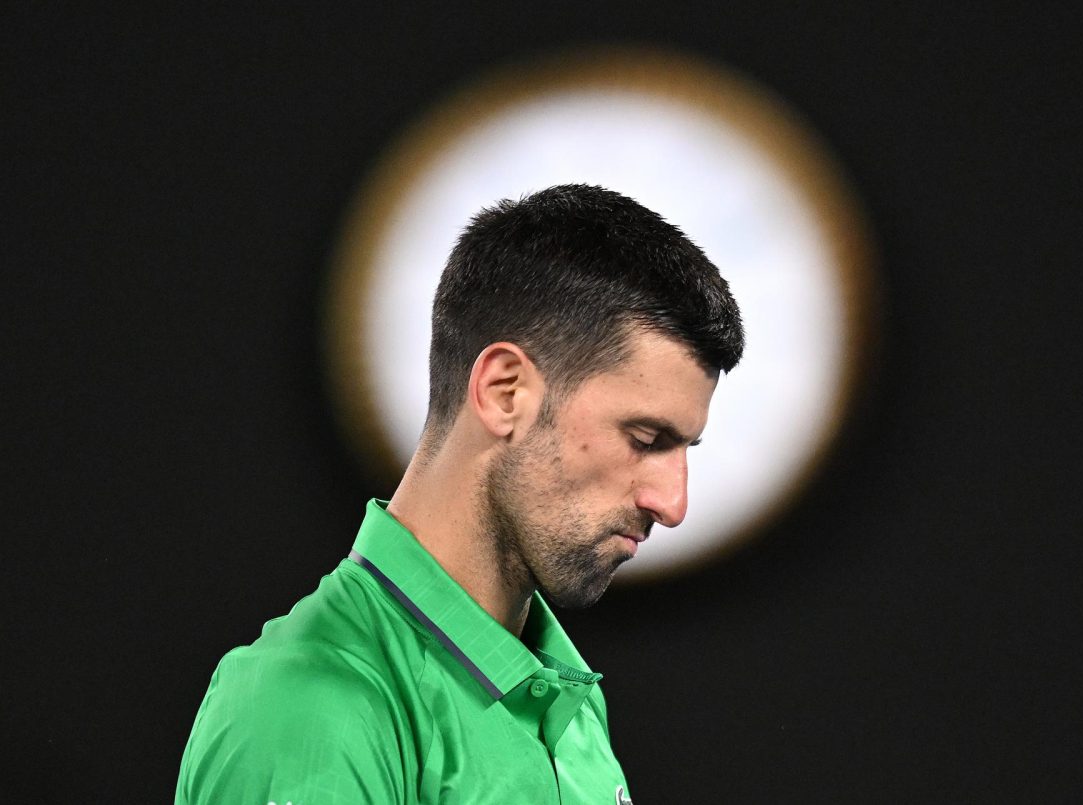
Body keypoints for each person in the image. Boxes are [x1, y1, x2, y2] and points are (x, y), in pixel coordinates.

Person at [176, 184, 745, 804]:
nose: (673, 503)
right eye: (645, 438)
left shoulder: (576, 709)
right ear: (505, 392)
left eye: (684, 448)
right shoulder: (306, 705)